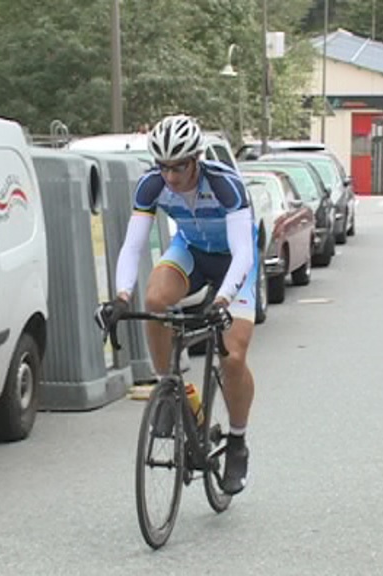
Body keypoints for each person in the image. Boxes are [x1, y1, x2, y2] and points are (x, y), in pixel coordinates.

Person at [96, 114, 258, 495]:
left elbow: (243, 254)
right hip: (191, 252)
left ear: (196, 158)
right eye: (163, 167)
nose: (170, 177)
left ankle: (237, 441)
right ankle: (172, 390)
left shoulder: (224, 184)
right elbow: (133, 245)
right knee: (153, 301)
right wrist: (120, 296)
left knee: (232, 356)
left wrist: (222, 299)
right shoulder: (152, 185)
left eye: (179, 166)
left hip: (234, 262)